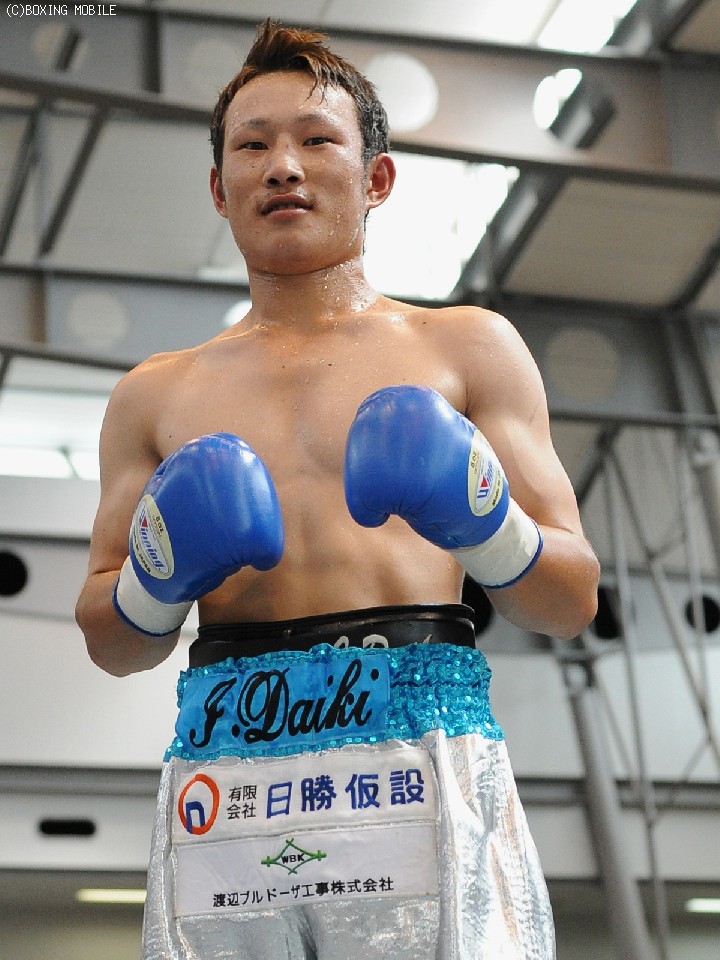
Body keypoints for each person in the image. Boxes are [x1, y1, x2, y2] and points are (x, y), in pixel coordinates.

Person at [75, 18, 599, 960]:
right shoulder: (153, 394)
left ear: (377, 177)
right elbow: (111, 643)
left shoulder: (465, 346)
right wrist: (156, 581)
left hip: (417, 745)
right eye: (253, 145)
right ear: (219, 188)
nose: (283, 166)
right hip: (227, 774)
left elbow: (570, 599)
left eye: (317, 139)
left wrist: (484, 523)